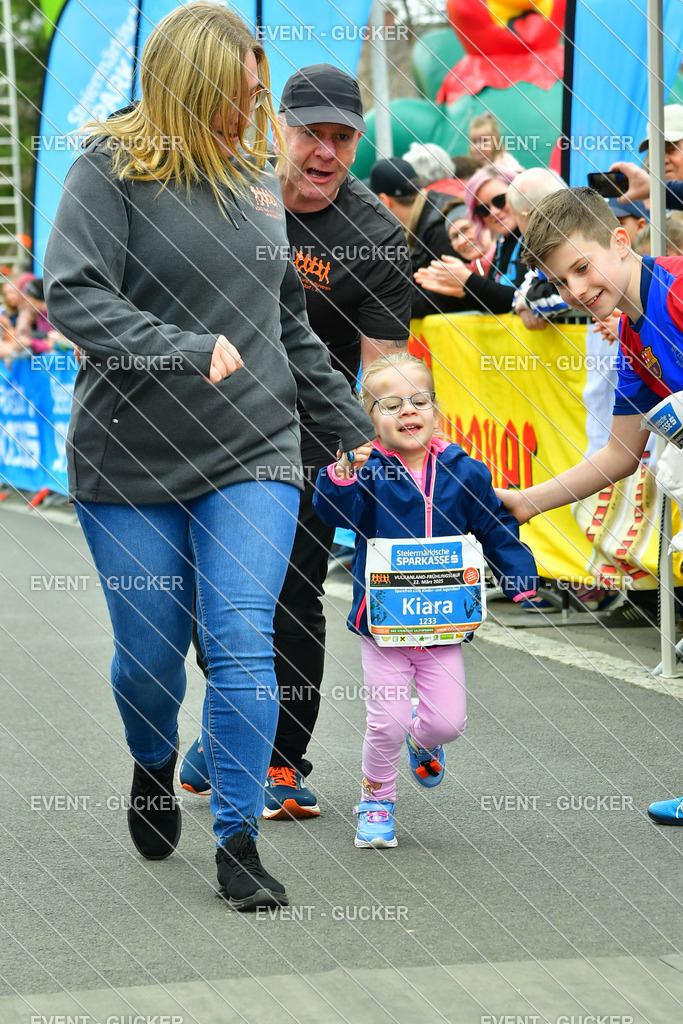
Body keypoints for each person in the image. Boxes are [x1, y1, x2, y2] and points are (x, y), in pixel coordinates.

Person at [43, 2, 374, 911]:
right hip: (131, 456)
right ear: (191, 90)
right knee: (148, 661)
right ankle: (153, 762)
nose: (253, 112)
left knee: (238, 640)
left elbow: (287, 322)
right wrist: (179, 345)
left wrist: (353, 430)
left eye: (258, 96)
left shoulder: (253, 180)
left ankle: (237, 839)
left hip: (254, 449)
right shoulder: (107, 168)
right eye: (240, 95)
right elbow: (72, 294)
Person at [177, 63, 412, 819]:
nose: (325, 152)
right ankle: (231, 724)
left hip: (310, 434)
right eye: (311, 133)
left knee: (289, 594)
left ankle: (279, 760)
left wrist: (385, 458)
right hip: (207, 419)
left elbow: (382, 370)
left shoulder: (373, 235)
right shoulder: (225, 191)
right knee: (209, 595)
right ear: (278, 126)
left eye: (342, 138)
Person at [494, 186, 683, 823]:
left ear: (622, 240)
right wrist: (522, 503)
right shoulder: (627, 338)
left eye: (583, 267)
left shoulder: (678, 290)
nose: (575, 289)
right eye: (560, 278)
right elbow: (617, 456)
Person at [312, 352, 538, 848]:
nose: (407, 411)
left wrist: (516, 569)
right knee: (386, 722)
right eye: (389, 404)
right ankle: (376, 800)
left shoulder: (466, 470)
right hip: (385, 625)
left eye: (418, 401)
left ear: (436, 409)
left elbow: (495, 525)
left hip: (442, 624)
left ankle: (424, 740)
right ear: (368, 417)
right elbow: (333, 511)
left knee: (448, 722)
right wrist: (344, 471)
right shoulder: (368, 471)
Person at [414, 164, 526, 315]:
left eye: (499, 200)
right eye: (483, 209)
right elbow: (499, 306)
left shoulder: (534, 237)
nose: (493, 212)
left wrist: (467, 280)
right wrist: (463, 292)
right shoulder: (504, 244)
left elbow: (521, 299)